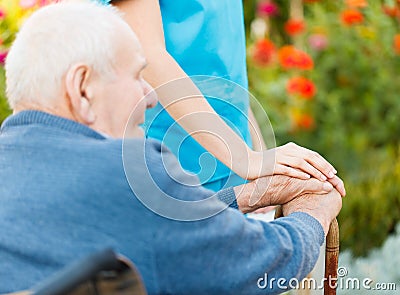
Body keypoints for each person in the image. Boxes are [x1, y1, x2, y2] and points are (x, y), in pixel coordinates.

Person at [0, 2, 343, 294]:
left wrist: (243, 196)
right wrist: (314, 212)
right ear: (81, 88)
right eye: (138, 77)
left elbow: (141, 224)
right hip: (186, 163)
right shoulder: (129, 174)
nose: (149, 97)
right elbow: (263, 262)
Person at [109, 0, 344, 192]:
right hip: (172, 168)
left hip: (231, 163)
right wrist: (245, 158)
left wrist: (257, 154)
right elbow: (149, 55)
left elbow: (224, 67)